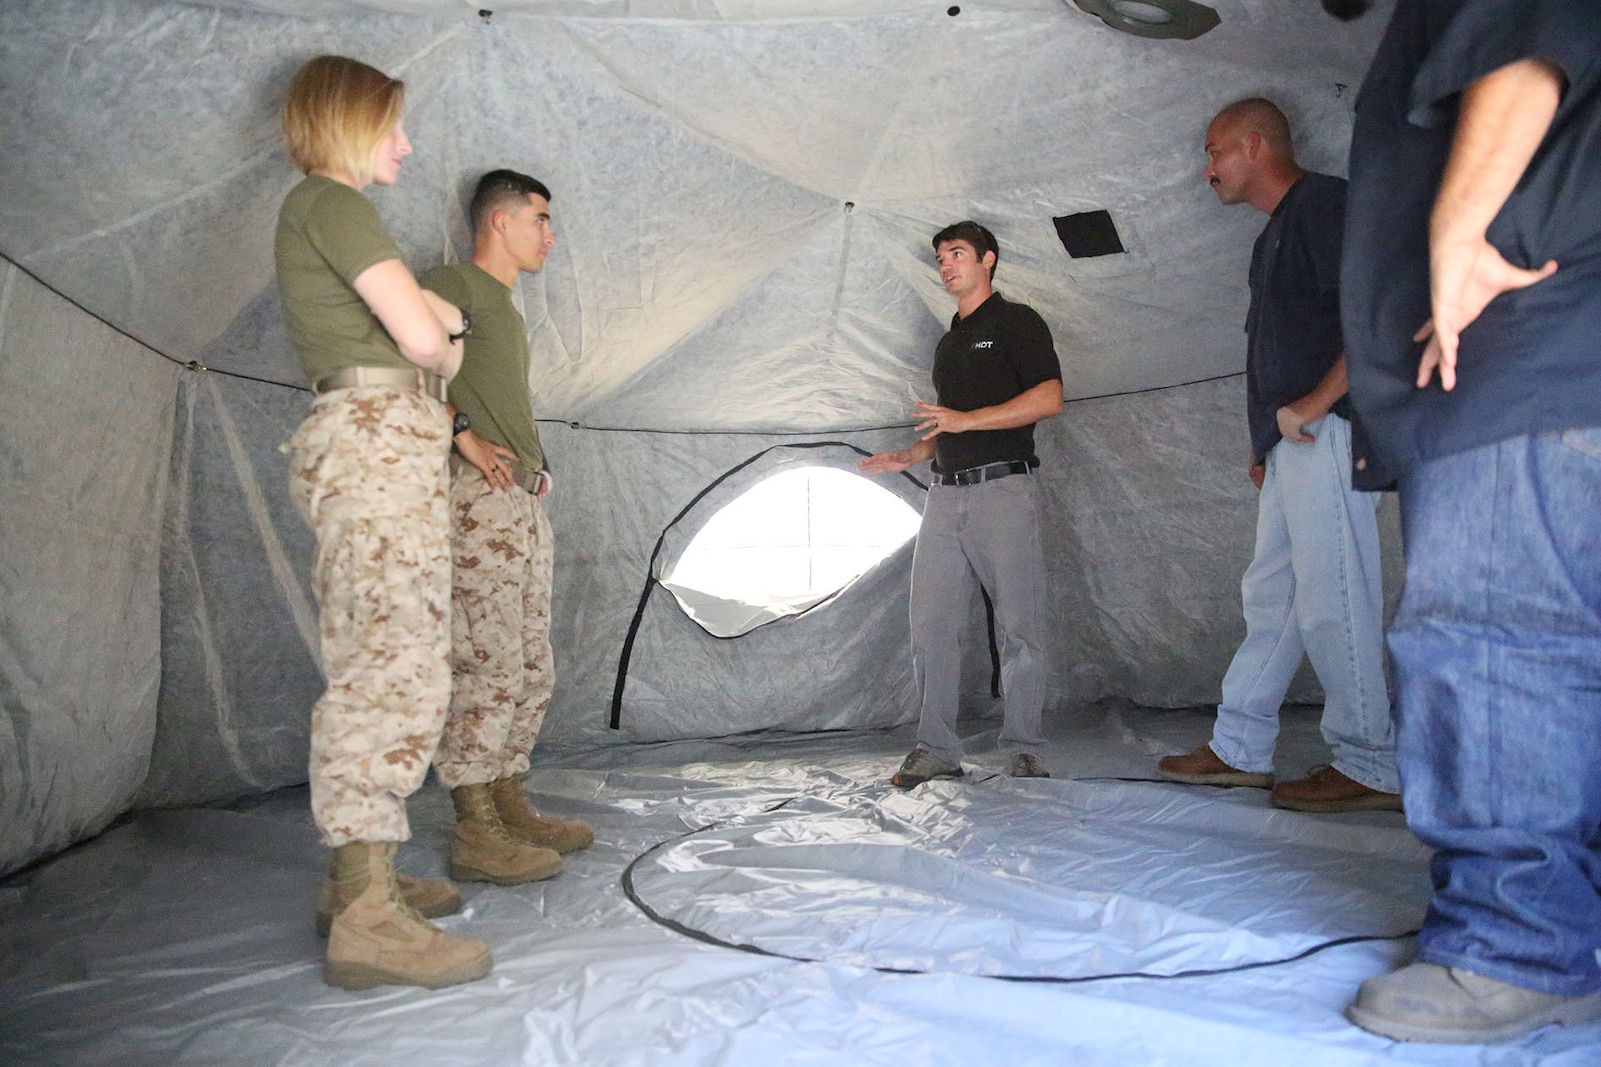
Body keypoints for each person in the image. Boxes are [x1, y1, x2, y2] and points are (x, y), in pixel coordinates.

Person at [1329, 0, 1601, 1044]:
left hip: (1521, 336)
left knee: (1492, 634)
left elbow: (1525, 37)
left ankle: (1514, 945)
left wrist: (1457, 230)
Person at [276, 55, 489, 990]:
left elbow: (433, 325)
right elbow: (424, 339)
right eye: (392, 125)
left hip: (379, 440)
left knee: (389, 649)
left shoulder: (331, 214)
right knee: (390, 661)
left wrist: (438, 324)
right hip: (372, 436)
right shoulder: (333, 203)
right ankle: (366, 913)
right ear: (349, 124)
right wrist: (441, 328)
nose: (405, 143)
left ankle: (351, 880)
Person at [1156, 99, 1402, 814]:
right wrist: (1262, 439)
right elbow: (1274, 342)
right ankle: (1238, 747)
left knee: (1332, 595)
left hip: (1329, 429)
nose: (1207, 169)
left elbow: (1374, 313)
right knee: (1275, 595)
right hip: (1290, 440)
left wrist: (1317, 405)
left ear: (1254, 144)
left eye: (1214, 152)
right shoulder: (1274, 236)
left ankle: (1371, 763)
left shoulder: (1325, 204)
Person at [419, 171, 593, 885]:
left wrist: (536, 466)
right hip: (476, 498)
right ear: (500, 220)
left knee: (528, 660)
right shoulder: (450, 281)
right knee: (485, 659)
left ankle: (506, 796)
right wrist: (459, 432)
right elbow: (399, 359)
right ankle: (474, 826)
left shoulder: (505, 310)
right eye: (541, 219)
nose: (549, 236)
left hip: (518, 498)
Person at [858, 221, 1063, 788]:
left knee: (1020, 625)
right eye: (940, 258)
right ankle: (936, 749)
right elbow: (950, 425)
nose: (946, 266)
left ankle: (1025, 747)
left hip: (1004, 490)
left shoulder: (1019, 322)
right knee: (930, 623)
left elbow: (1049, 398)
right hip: (946, 496)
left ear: (987, 260)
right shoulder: (949, 342)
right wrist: (914, 452)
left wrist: (966, 421)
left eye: (957, 254)